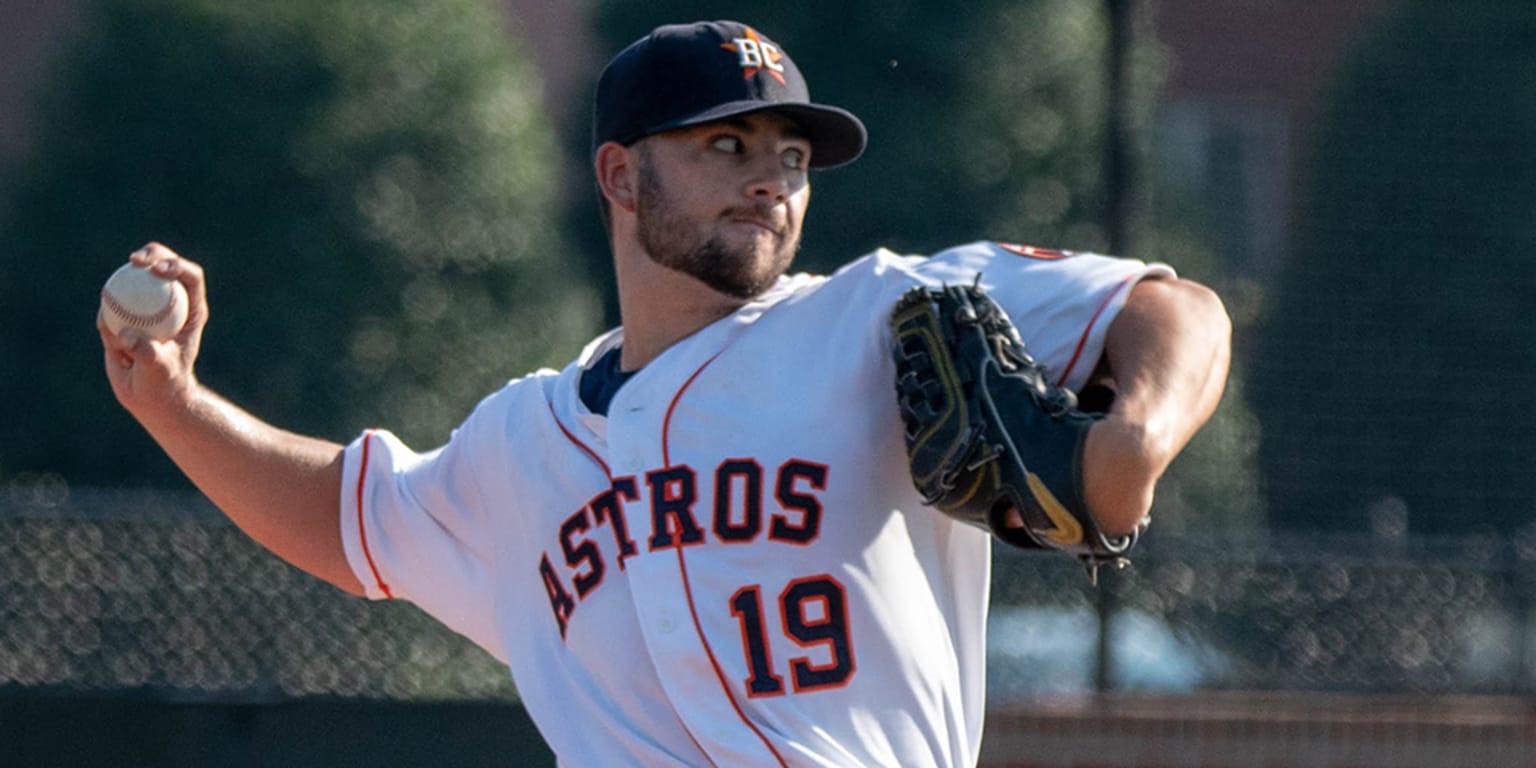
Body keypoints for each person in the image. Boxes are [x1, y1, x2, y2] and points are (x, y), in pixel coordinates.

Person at [99, 19, 1231, 768]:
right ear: (620, 173)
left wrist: (1133, 437)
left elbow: (1174, 311)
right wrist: (173, 405)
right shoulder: (522, 441)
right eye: (726, 144)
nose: (769, 180)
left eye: (790, 155)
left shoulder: (874, 315)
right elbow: (353, 523)